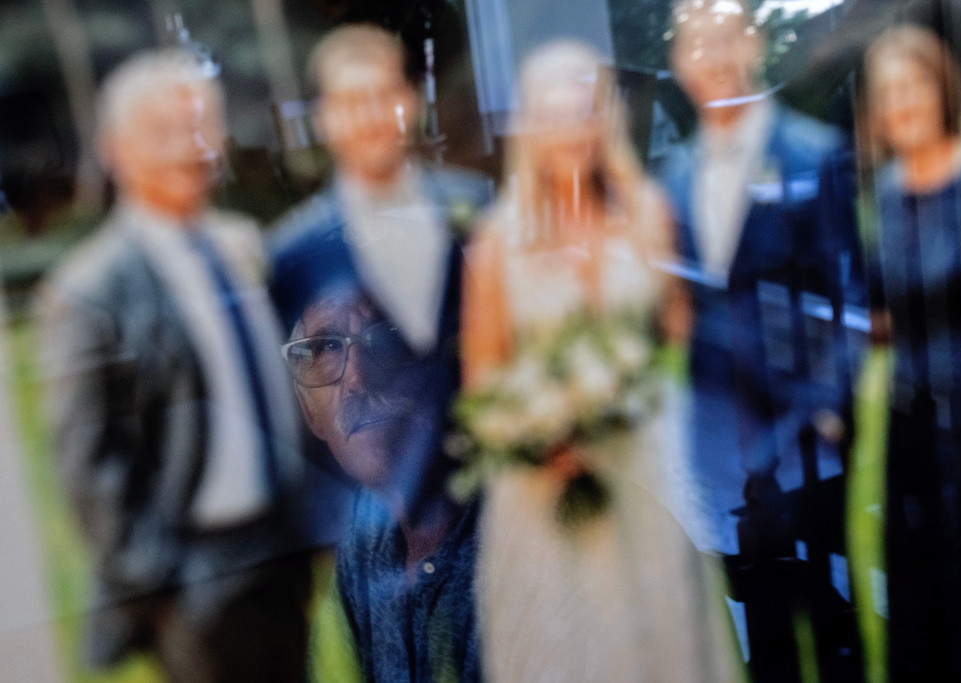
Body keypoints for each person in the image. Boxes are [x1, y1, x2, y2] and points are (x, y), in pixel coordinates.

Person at [461, 40, 738, 683]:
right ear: (531, 128)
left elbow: (675, 327)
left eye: (584, 113)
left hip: (642, 465)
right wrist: (540, 428)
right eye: (555, 116)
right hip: (544, 488)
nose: (572, 132)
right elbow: (482, 376)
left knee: (661, 635)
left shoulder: (645, 213)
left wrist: (622, 382)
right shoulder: (497, 241)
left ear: (602, 120)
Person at [38, 50, 310, 682]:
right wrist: (162, 583)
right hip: (193, 573)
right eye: (164, 132)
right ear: (116, 149)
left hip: (277, 549)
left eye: (200, 126)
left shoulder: (240, 245)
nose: (190, 147)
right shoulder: (89, 291)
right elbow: (87, 463)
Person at [269, 24, 491, 682]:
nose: (369, 116)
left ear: (408, 100)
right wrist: (317, 529)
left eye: (381, 95)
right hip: (372, 521)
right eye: (349, 100)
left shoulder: (473, 207)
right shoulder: (296, 250)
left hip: (484, 499)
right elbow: (297, 395)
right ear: (326, 118)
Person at [658, 0, 864, 680]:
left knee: (843, 620)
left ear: (751, 45)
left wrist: (833, 405)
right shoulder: (674, 179)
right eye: (695, 44)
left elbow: (849, 293)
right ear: (679, 64)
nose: (711, 58)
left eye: (724, 38)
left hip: (816, 441)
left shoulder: (813, 155)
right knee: (767, 627)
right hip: (723, 448)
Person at [861, 25, 961, 682]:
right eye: (889, 91)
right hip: (911, 421)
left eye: (914, 85)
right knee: (922, 594)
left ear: (941, 90)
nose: (903, 102)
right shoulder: (887, 193)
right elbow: (888, 315)